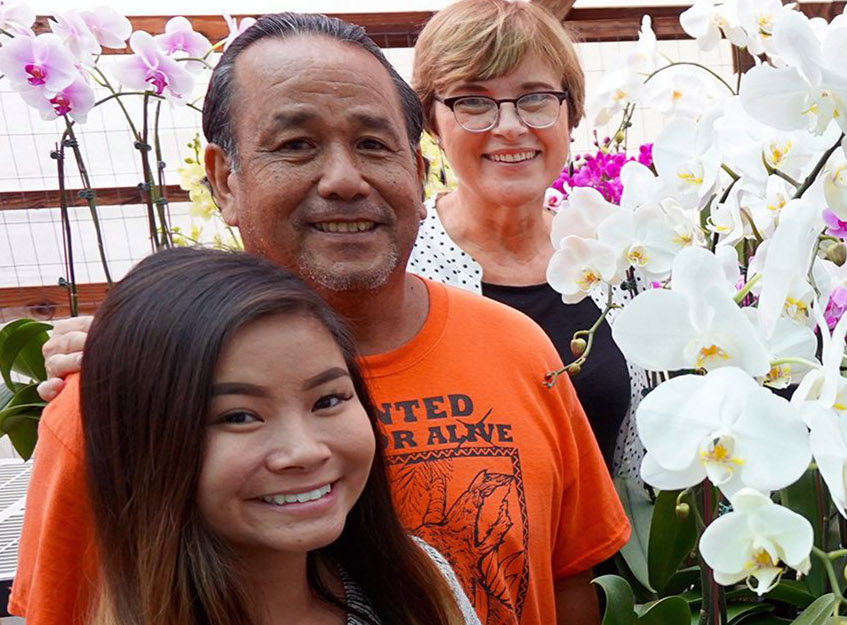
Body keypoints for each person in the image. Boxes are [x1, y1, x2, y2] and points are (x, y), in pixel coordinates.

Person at [13, 14, 630, 625]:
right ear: (224, 180)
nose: (343, 180)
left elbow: (565, 585)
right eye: (296, 145)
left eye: (373, 145)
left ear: (418, 175)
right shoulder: (122, 398)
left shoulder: (517, 348)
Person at [77, 247, 480, 625]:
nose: (304, 451)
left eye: (327, 400)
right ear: (141, 443)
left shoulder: (420, 584)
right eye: (239, 417)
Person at [408, 0, 643, 477]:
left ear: (571, 113)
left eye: (535, 98)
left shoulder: (611, 255)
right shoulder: (403, 267)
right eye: (473, 101)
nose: (511, 127)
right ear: (432, 122)